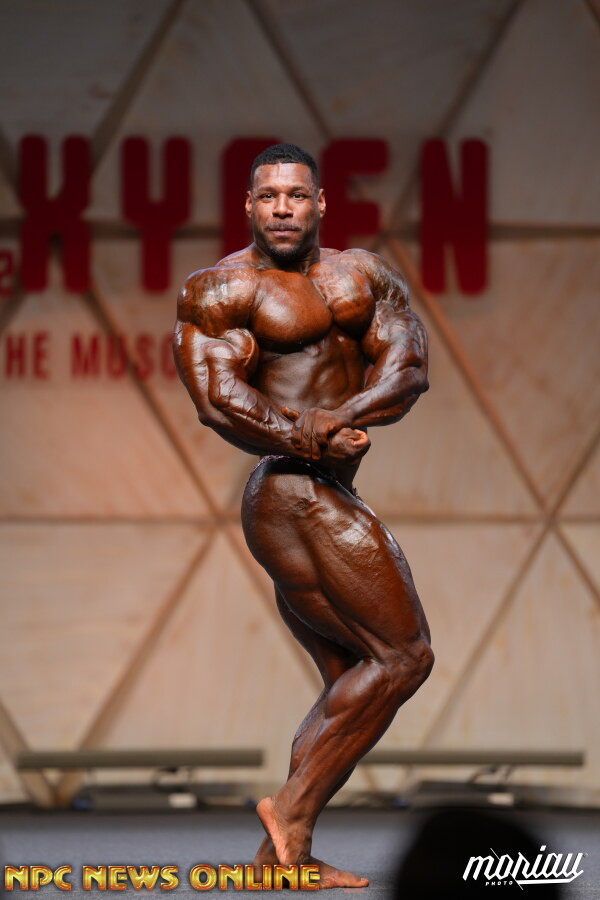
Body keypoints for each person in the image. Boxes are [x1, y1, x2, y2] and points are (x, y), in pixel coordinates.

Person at [173, 143, 434, 888]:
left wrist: (341, 415)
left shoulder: (363, 275)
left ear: (320, 203)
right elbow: (217, 397)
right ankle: (289, 810)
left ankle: (282, 859)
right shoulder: (223, 289)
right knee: (406, 656)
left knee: (352, 677)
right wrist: (305, 437)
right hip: (289, 493)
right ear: (248, 207)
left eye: (295, 195)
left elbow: (408, 367)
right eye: (268, 197)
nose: (281, 208)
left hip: (324, 487)